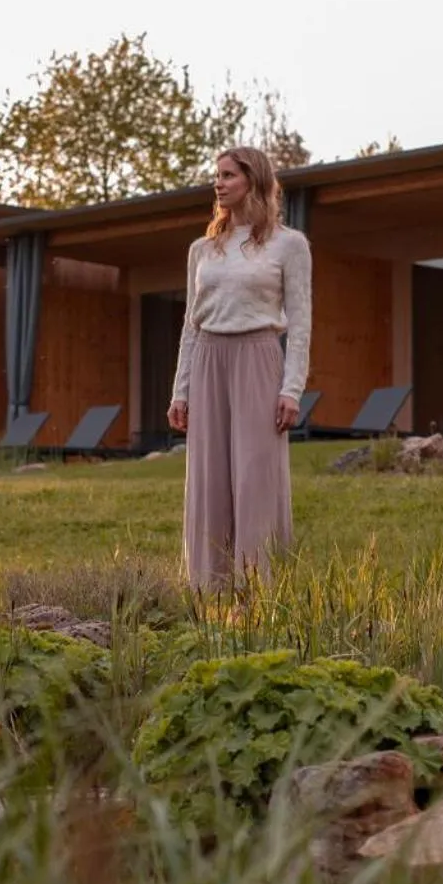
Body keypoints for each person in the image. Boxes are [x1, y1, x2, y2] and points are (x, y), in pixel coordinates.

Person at [167, 146, 312, 593]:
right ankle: (208, 592)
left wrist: (292, 389)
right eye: (217, 175)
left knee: (255, 476)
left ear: (253, 180)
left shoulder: (289, 244)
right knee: (209, 479)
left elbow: (302, 321)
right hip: (208, 359)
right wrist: (180, 389)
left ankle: (259, 592)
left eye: (229, 175)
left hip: (258, 359)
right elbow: (192, 323)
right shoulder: (202, 249)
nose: (219, 183)